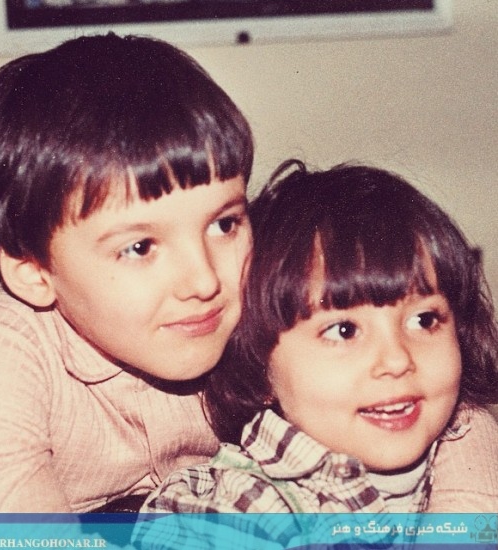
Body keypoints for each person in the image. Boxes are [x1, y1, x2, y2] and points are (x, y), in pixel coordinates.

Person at [0, 33, 253, 513]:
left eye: (225, 224)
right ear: (34, 272)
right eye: (140, 247)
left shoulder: (258, 303)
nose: (205, 281)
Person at [141, 161, 498, 524]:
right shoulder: (238, 511)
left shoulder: (464, 444)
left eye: (424, 320)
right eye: (344, 330)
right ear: (259, 368)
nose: (397, 360)